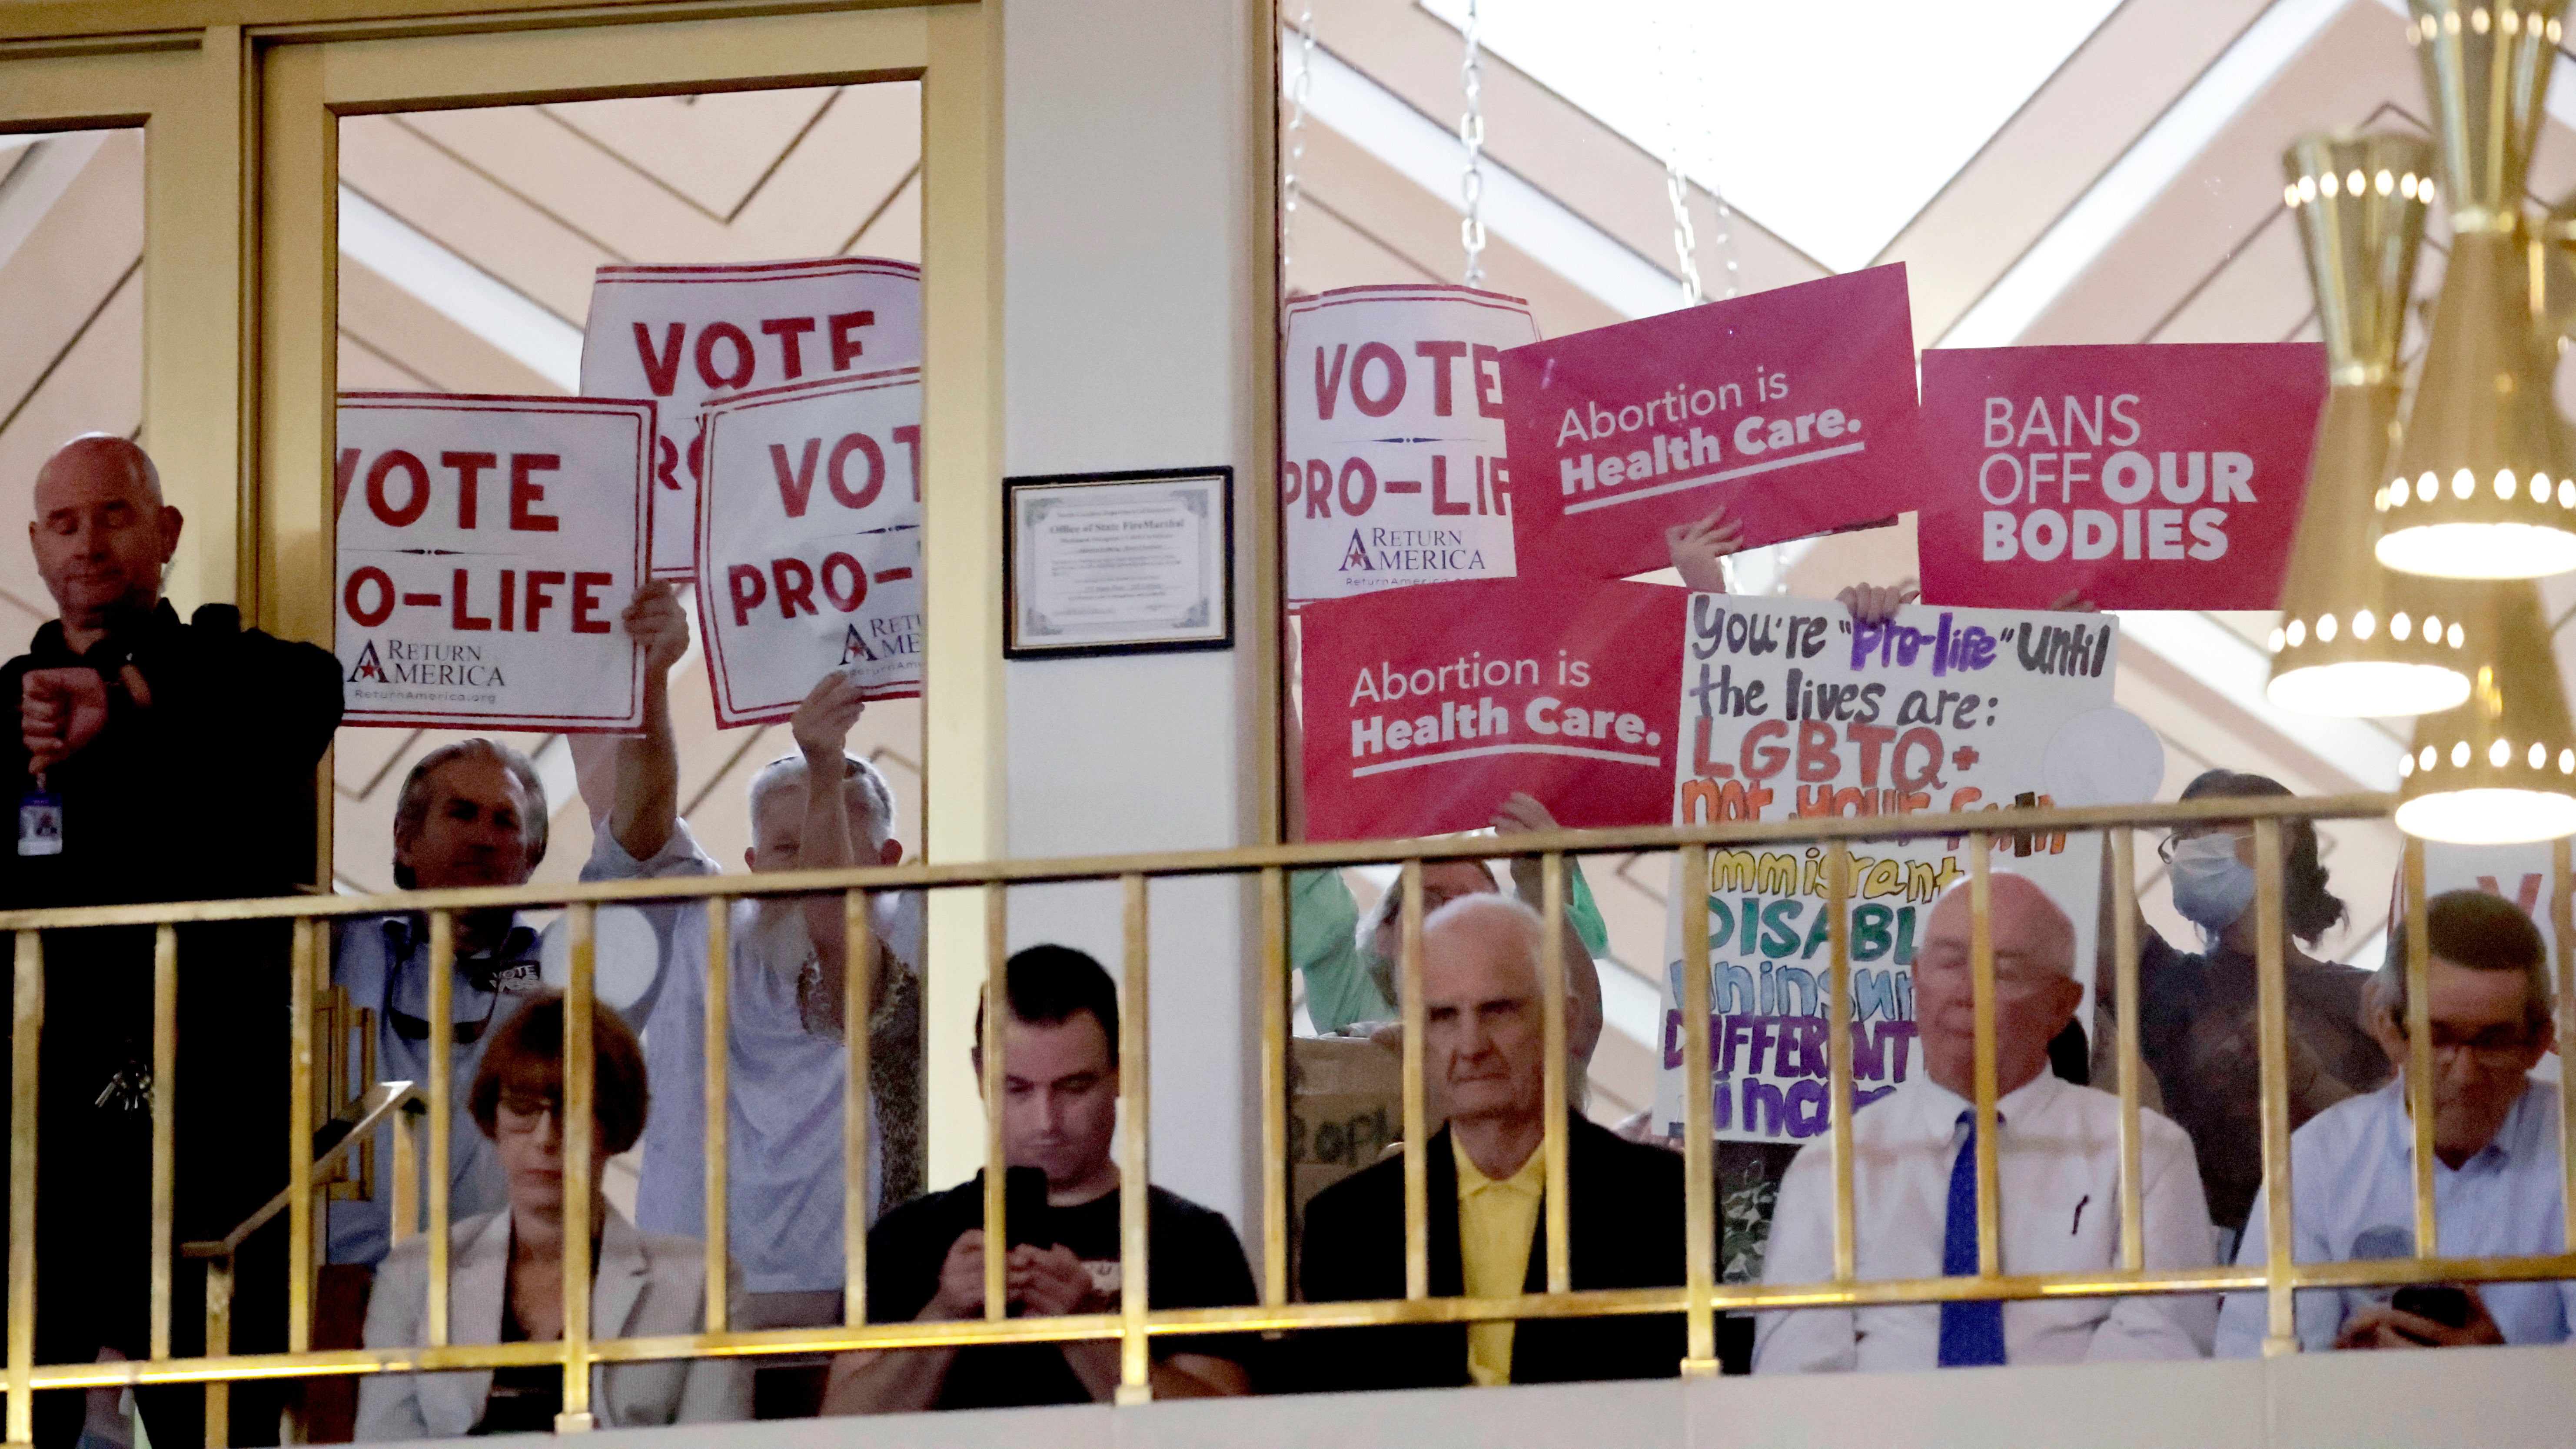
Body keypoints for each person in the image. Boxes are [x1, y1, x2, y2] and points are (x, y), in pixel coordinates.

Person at [0, 435, 343, 1449]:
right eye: (64, 522)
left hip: (209, 1132)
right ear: (34, 545)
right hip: (46, 1148)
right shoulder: (7, 702)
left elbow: (310, 698)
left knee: (219, 1425)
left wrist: (132, 696)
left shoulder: (235, 670)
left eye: (113, 513)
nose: (88, 541)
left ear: (167, 531)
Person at [329, 583, 689, 1268]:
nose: (484, 837)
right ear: (404, 839)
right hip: (342, 1300)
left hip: (512, 1302)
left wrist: (650, 684)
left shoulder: (563, 972)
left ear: (528, 861)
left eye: (505, 823)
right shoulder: (335, 944)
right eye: (460, 813)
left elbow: (641, 841)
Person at [1754, 874, 2216, 1372]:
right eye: (1950, 963)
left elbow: (2160, 1348)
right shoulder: (1833, 1164)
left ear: (2062, 1004)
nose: (1967, 993)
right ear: (1915, 978)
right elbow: (1795, 1372)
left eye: (2003, 971)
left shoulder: (2144, 1153)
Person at [589, 660, 919, 1331]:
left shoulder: (914, 923)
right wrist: (648, 674)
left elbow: (835, 923)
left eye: (830, 843)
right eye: (785, 849)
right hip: (694, 1298)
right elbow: (645, 816)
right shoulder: (701, 918)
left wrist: (825, 764)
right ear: (750, 863)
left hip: (865, 1300)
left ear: (888, 863)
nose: (805, 871)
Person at [823, 946, 1257, 1410]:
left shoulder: (1192, 1241)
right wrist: (944, 1316)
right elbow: (841, 1426)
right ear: (979, 1074)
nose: (1046, 1120)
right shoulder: (907, 1237)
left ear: (1120, 1073)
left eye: (1074, 1087)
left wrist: (1089, 1334)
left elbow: (1224, 1430)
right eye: (1017, 1089)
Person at [1295, 895, 1687, 1389]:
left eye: (1497, 1010)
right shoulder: (1348, 1227)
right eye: (1440, 1016)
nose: (1471, 1044)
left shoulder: (1663, 1201)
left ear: (1564, 1019)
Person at [357, 992, 750, 1437]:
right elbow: (383, 1443)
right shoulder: (415, 1273)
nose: (546, 1137)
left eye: (572, 1110)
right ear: (494, 1119)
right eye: (522, 1108)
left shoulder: (700, 1282)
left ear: (615, 1124)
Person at [2217, 890, 2573, 1355]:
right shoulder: (2318, 1161)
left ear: (2538, 1042)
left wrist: (2501, 1369)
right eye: (2437, 1038)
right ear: (2389, 1031)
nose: (2463, 1072)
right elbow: (2255, 1365)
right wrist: (2345, 1366)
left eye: (2492, 1041)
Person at [2121, 770, 2388, 1240]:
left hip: (2338, 1239)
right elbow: (2104, 913)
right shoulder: (2165, 982)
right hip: (2197, 1251)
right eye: (2179, 838)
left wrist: (2308, 1080)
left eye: (2208, 827)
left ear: (2279, 837)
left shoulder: (2366, 996)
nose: (2190, 850)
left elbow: (2401, 1144)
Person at [1293, 793, 1609, 1064]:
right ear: (1385, 936)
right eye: (1430, 901)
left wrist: (1542, 883)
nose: (1454, 918)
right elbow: (1298, 857)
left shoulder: (1526, 1032)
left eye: (1474, 906)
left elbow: (1574, 1015)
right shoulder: (1356, 1012)